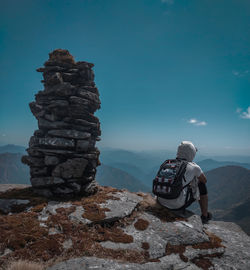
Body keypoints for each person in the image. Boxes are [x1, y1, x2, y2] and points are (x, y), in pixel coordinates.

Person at [157, 141, 212, 224]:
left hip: (160, 200)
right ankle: (204, 216)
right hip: (176, 205)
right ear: (191, 153)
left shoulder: (169, 163)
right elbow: (204, 180)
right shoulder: (194, 167)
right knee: (201, 185)